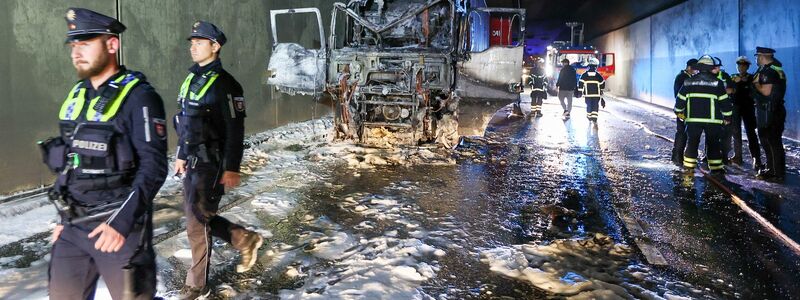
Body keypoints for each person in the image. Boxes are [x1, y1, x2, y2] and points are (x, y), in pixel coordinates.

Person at [40, 7, 167, 299]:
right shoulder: (76, 95)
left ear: (112, 44)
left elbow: (153, 167)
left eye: (85, 43)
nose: (76, 52)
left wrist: (121, 224)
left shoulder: (140, 98)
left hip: (118, 228)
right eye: (73, 45)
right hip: (73, 228)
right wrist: (63, 223)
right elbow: (70, 164)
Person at [173, 21, 264, 299]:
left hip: (212, 164)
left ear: (215, 46)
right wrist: (179, 154)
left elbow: (236, 131)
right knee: (198, 217)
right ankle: (243, 239)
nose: (193, 47)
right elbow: (183, 121)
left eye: (199, 42)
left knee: (195, 224)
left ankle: (197, 284)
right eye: (192, 42)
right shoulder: (190, 79)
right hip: (191, 161)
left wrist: (231, 168)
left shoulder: (227, 85)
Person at [674, 55, 732, 174]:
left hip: (693, 121)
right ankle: (716, 170)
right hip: (713, 121)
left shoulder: (688, 81)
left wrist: (679, 113)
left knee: (692, 143)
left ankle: (689, 169)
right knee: (713, 144)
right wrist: (727, 117)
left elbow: (680, 100)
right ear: (711, 68)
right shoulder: (718, 82)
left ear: (699, 68)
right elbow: (725, 102)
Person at [752, 47, 787, 181]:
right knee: (770, 141)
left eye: (757, 56)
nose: (756, 59)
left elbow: (765, 92)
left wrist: (754, 84)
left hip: (769, 111)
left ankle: (776, 174)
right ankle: (772, 169)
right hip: (772, 110)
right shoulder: (776, 69)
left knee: (771, 141)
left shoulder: (769, 72)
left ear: (762, 56)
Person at [730, 56, 762, 169]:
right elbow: (728, 90)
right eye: (739, 65)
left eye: (743, 65)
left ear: (747, 67)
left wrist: (745, 81)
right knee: (736, 133)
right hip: (735, 108)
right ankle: (737, 156)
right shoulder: (732, 77)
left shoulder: (752, 78)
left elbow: (756, 90)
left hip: (748, 108)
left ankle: (756, 158)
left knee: (751, 133)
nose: (741, 68)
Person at [671, 58, 698, 166]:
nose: (697, 71)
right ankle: (677, 156)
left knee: (684, 134)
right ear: (690, 68)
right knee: (681, 133)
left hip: (687, 110)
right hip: (683, 110)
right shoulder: (682, 77)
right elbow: (680, 95)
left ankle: (678, 156)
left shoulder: (687, 77)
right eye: (696, 69)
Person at [712, 57, 735, 164]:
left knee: (726, 134)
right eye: (715, 67)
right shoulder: (707, 77)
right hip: (712, 109)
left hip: (724, 108)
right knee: (711, 134)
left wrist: (721, 92)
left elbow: (732, 90)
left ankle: (724, 156)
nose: (717, 69)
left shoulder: (724, 76)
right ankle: (710, 155)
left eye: (718, 67)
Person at [579, 57, 605, 124]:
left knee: (589, 105)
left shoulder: (584, 75)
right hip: (596, 95)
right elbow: (602, 84)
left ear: (589, 66)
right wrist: (601, 90)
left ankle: (589, 117)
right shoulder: (598, 75)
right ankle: (594, 118)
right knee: (595, 106)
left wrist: (580, 92)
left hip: (588, 94)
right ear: (596, 67)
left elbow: (581, 83)